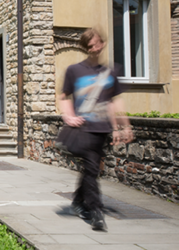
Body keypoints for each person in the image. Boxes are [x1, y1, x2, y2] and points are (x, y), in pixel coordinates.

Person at [58, 28, 133, 231]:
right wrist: (69, 116)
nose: (95, 48)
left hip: (102, 129)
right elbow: (63, 96)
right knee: (92, 168)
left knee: (91, 169)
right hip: (83, 128)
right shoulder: (75, 70)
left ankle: (76, 201)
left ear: (103, 43)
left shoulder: (111, 72)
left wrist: (121, 127)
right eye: (90, 46)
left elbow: (113, 103)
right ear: (85, 48)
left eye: (97, 44)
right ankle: (96, 212)